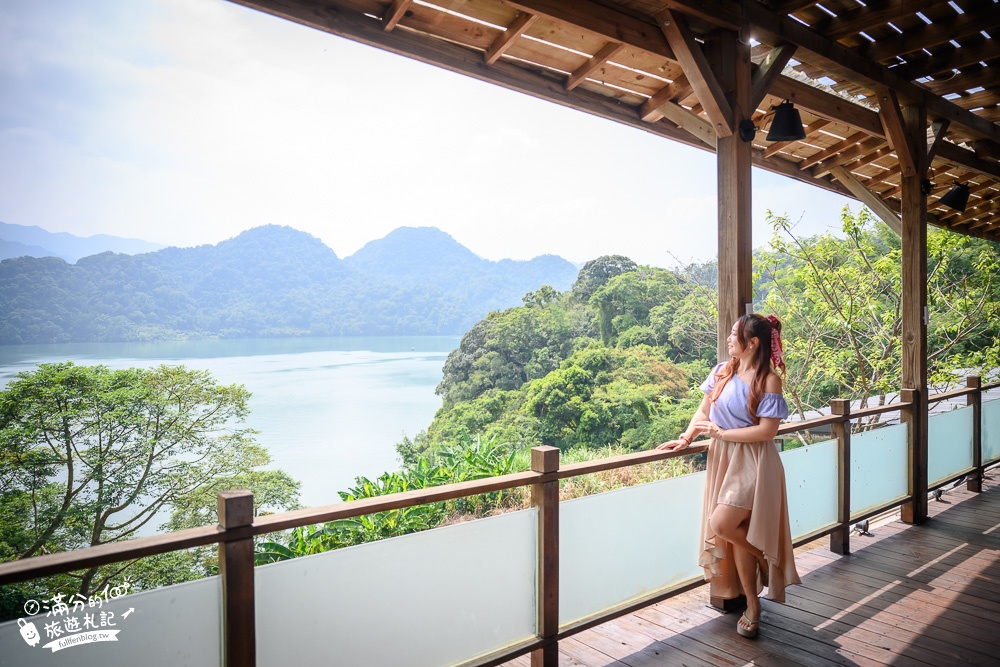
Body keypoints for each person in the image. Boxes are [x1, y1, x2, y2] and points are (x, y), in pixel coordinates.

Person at [657, 313, 801, 639]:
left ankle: (766, 557)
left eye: (734, 335)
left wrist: (722, 435)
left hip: (754, 461)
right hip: (723, 456)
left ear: (752, 343)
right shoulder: (723, 370)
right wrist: (686, 437)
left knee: (721, 524)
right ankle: (753, 603)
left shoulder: (768, 380)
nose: (728, 339)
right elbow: (703, 410)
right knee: (734, 532)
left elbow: (768, 431)